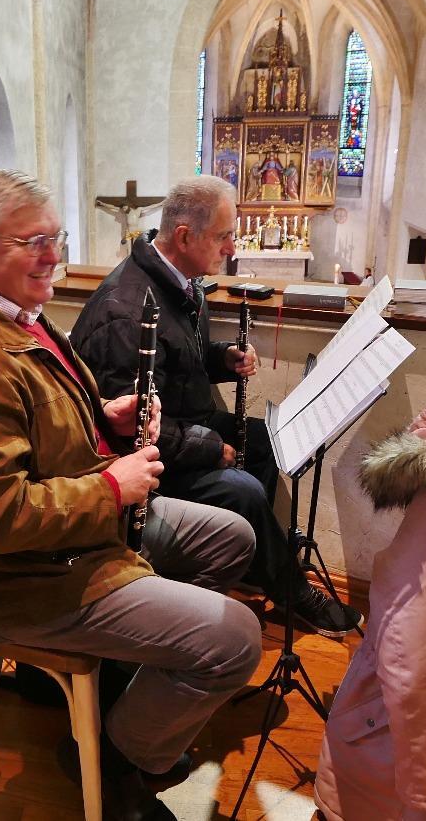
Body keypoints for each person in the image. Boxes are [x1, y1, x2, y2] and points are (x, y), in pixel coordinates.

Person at [0, 170, 262, 821]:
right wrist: (111, 486)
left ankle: (128, 702)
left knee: (233, 537)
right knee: (236, 638)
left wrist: (106, 419)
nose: (52, 257)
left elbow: (36, 425)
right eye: (32, 242)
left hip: (73, 539)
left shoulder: (11, 314)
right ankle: (117, 762)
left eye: (56, 239)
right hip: (25, 580)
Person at [72, 175, 360, 637]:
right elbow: (130, 425)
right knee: (242, 490)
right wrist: (209, 448)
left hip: (186, 424)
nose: (231, 248)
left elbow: (177, 360)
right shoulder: (124, 311)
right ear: (185, 236)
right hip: (148, 459)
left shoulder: (181, 282)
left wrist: (222, 357)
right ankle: (292, 593)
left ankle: (252, 564)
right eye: (223, 236)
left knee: (268, 441)